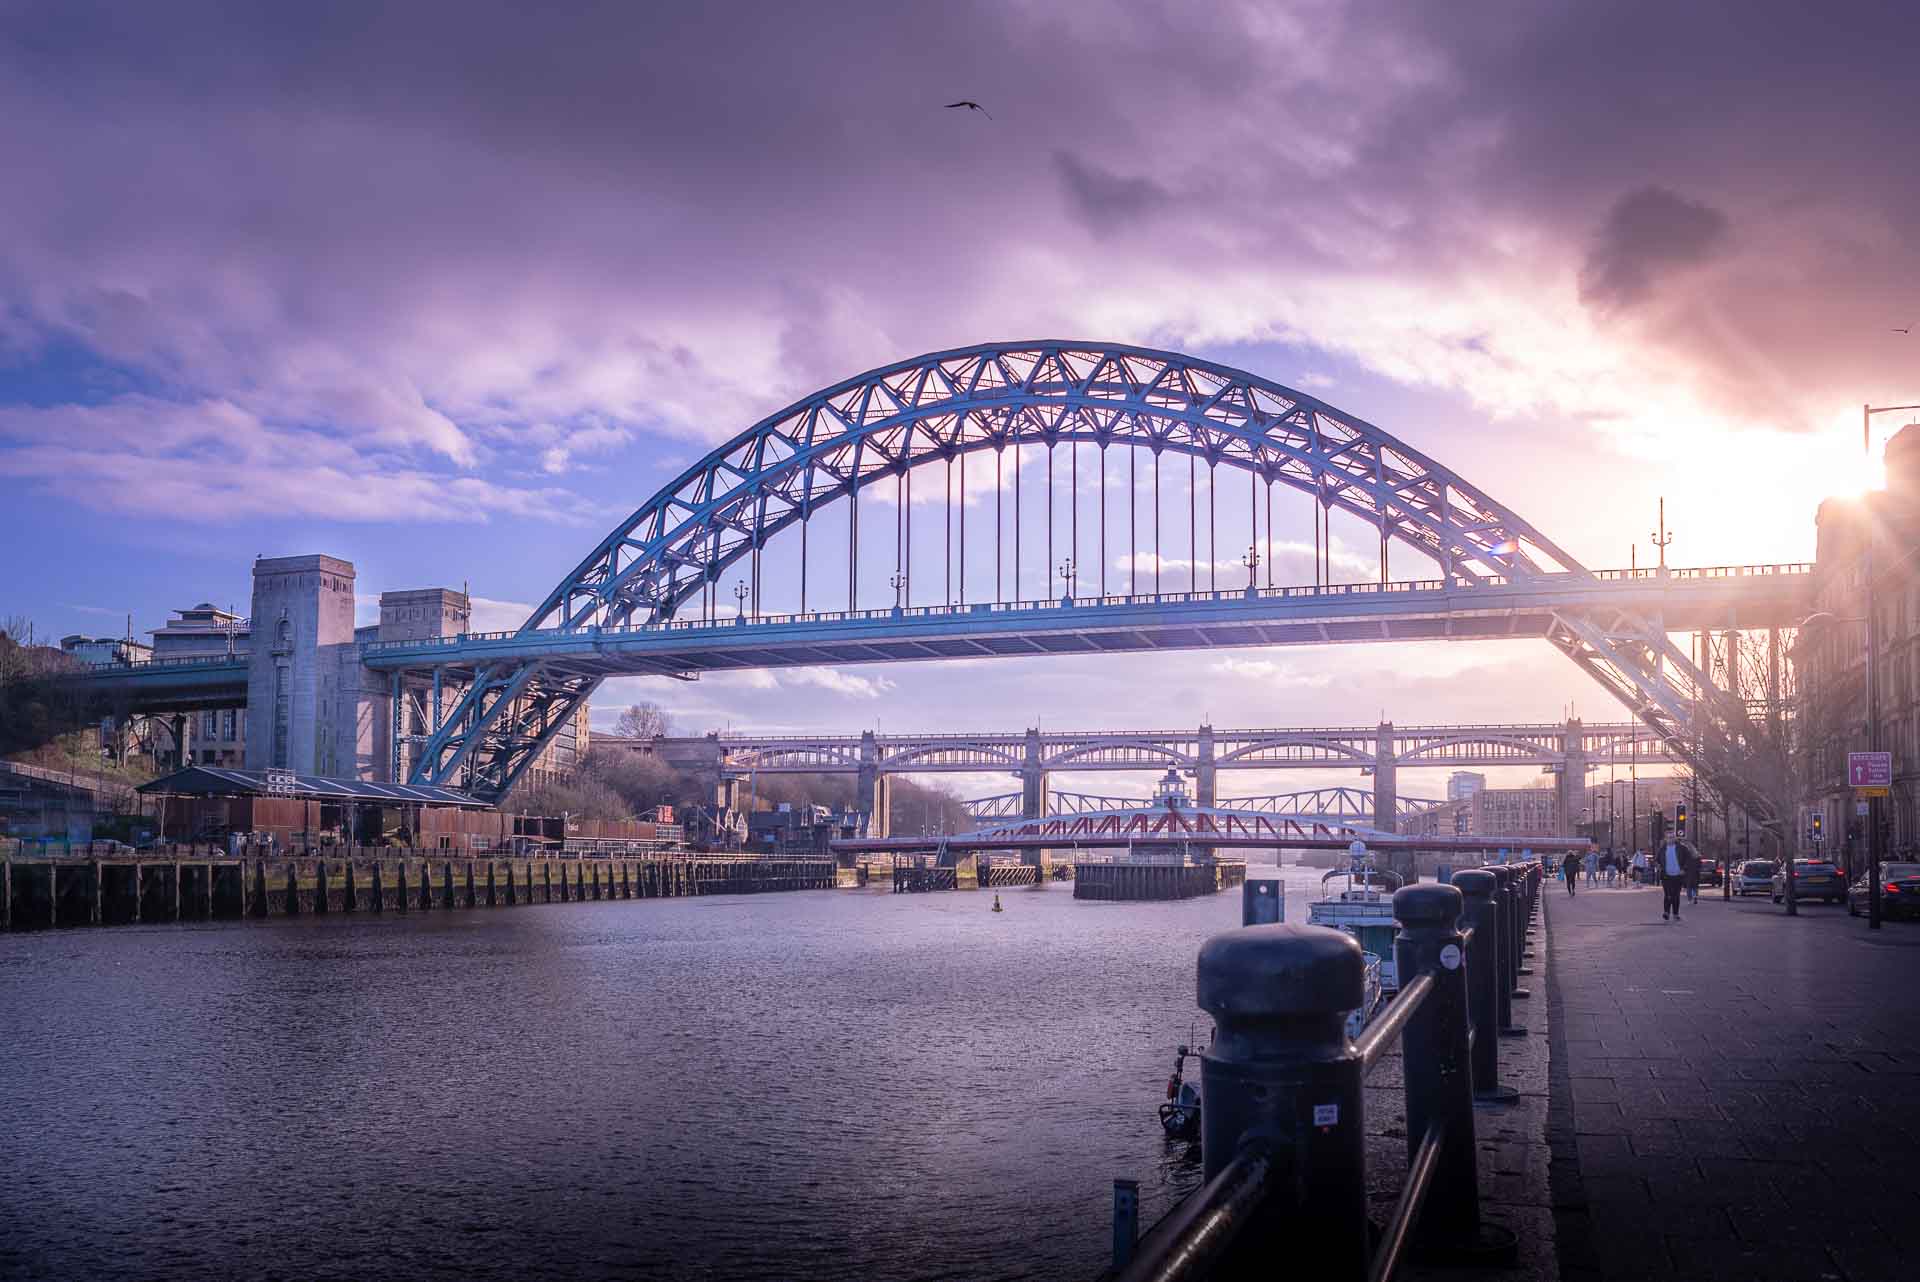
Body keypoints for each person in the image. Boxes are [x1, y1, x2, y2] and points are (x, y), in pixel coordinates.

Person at [1658, 835, 1698, 920]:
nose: (1670, 839)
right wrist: (1659, 866)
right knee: (1668, 894)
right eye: (1668, 837)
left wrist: (1684, 869)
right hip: (1666, 875)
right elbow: (1657, 860)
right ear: (1666, 839)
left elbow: (1690, 858)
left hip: (1678, 875)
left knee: (1675, 895)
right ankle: (1666, 912)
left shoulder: (1682, 848)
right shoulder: (1662, 849)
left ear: (1675, 838)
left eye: (1672, 837)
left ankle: (1675, 914)